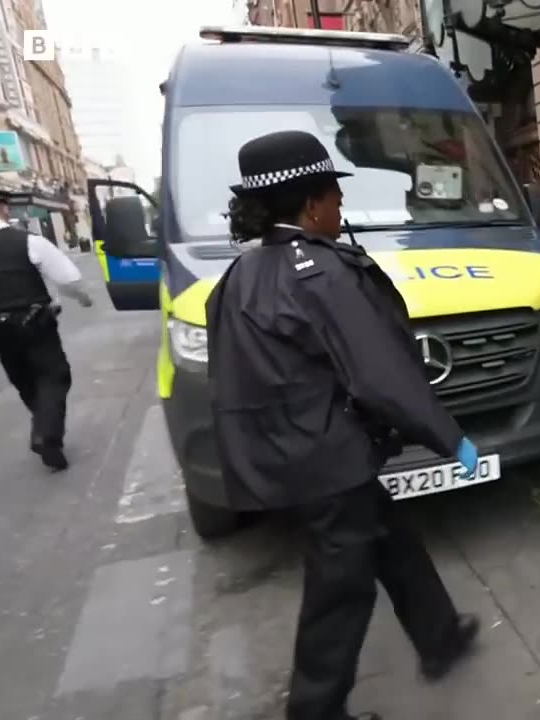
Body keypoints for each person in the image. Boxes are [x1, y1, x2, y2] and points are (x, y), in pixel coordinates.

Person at [205, 130, 481, 720]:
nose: (341, 207)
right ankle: (315, 710)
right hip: (325, 460)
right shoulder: (319, 273)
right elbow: (378, 369)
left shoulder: (240, 277)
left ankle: (440, 634)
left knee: (391, 538)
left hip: (293, 452)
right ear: (310, 204)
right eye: (335, 195)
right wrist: (448, 435)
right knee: (340, 588)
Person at [0, 188, 92, 471]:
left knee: (24, 379)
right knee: (53, 376)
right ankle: (46, 434)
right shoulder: (28, 241)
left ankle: (43, 425)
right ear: (5, 209)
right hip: (35, 323)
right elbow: (69, 279)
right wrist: (84, 299)